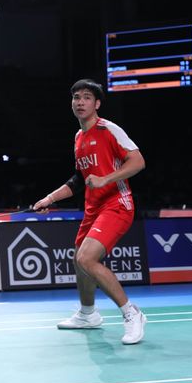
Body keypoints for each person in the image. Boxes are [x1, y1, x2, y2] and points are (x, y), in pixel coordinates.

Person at [33, 79, 147, 345]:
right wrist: (49, 198)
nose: (80, 102)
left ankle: (132, 314)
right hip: (94, 208)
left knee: (87, 258)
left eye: (86, 97)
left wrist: (106, 179)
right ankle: (88, 314)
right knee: (79, 260)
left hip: (117, 203)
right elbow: (78, 179)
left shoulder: (109, 129)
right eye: (76, 97)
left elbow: (138, 161)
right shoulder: (79, 137)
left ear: (96, 104)